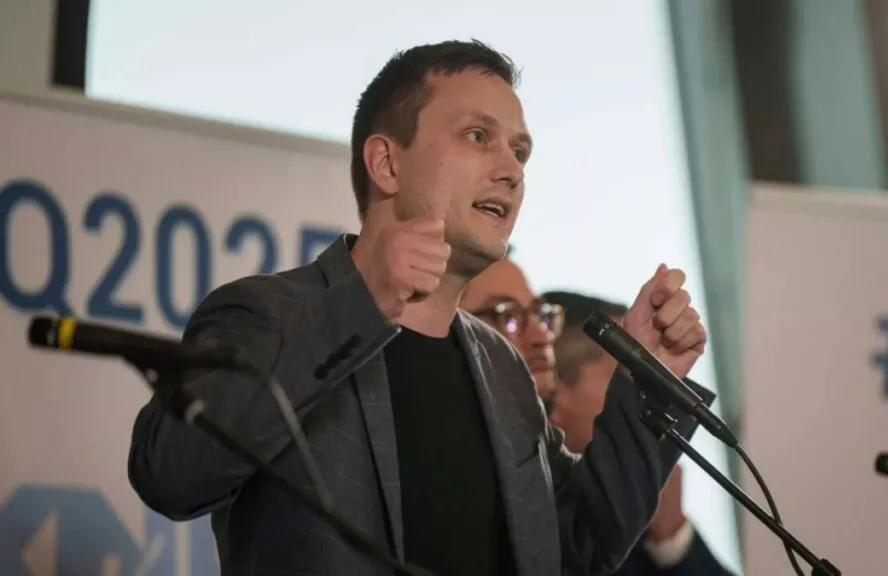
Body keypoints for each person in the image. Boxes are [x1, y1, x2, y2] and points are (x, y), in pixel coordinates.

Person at [127, 40, 709, 576]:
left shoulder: (503, 368)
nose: (511, 170)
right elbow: (170, 475)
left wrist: (650, 380)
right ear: (386, 164)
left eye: (520, 152)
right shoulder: (266, 312)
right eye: (477, 136)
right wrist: (360, 306)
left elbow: (580, 543)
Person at [461, 260, 733, 575]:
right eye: (505, 316)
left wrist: (672, 538)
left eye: (540, 314)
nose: (540, 335)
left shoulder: (613, 505)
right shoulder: (479, 483)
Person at [543, 290, 736, 575]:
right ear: (555, 390)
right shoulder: (539, 516)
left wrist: (671, 537)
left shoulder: (631, 497)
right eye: (623, 375)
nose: (647, 393)